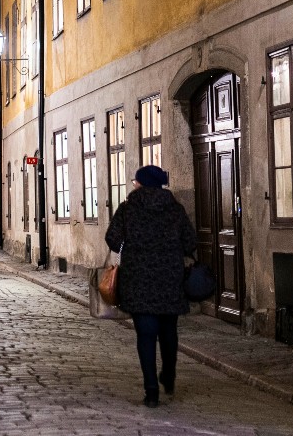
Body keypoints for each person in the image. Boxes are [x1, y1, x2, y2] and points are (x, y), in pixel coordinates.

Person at [105, 165, 195, 408]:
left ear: (141, 184)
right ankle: (168, 374)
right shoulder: (174, 209)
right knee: (168, 332)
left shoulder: (128, 208)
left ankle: (151, 390)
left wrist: (131, 241)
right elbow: (190, 242)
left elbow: (112, 239)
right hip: (169, 280)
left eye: (136, 181)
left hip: (139, 281)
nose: (134, 184)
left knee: (146, 335)